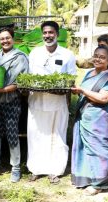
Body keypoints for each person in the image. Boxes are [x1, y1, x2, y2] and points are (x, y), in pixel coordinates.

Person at [27, 21, 77, 184]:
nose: (48, 36)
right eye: (45, 33)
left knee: (57, 136)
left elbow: (71, 79)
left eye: (51, 33)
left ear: (58, 34)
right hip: (37, 102)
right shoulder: (34, 53)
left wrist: (60, 90)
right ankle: (35, 169)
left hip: (58, 103)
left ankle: (55, 170)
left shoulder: (67, 55)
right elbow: (28, 77)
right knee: (36, 135)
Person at [0, 27, 29, 183]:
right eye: (2, 38)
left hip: (11, 100)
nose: (5, 41)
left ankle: (15, 168)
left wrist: (1, 90)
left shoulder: (21, 57)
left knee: (12, 134)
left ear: (13, 39)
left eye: (7, 38)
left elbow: (20, 83)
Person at [70, 45, 108, 195]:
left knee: (98, 149)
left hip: (99, 118)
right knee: (85, 148)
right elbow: (87, 92)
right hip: (86, 115)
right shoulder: (90, 72)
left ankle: (99, 183)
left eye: (102, 57)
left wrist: (82, 90)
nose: (98, 59)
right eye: (96, 55)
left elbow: (104, 98)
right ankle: (87, 179)